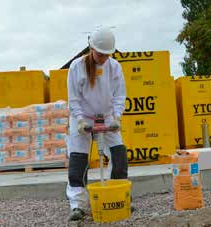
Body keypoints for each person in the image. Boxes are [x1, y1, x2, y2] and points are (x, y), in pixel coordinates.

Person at [66, 27, 128, 221]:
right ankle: (78, 205)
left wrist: (117, 118)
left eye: (107, 55)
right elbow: (73, 98)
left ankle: (117, 195)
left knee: (119, 154)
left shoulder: (115, 67)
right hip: (82, 117)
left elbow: (119, 95)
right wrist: (81, 120)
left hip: (107, 117)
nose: (103, 58)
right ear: (92, 48)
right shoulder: (77, 67)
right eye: (100, 54)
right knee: (78, 160)